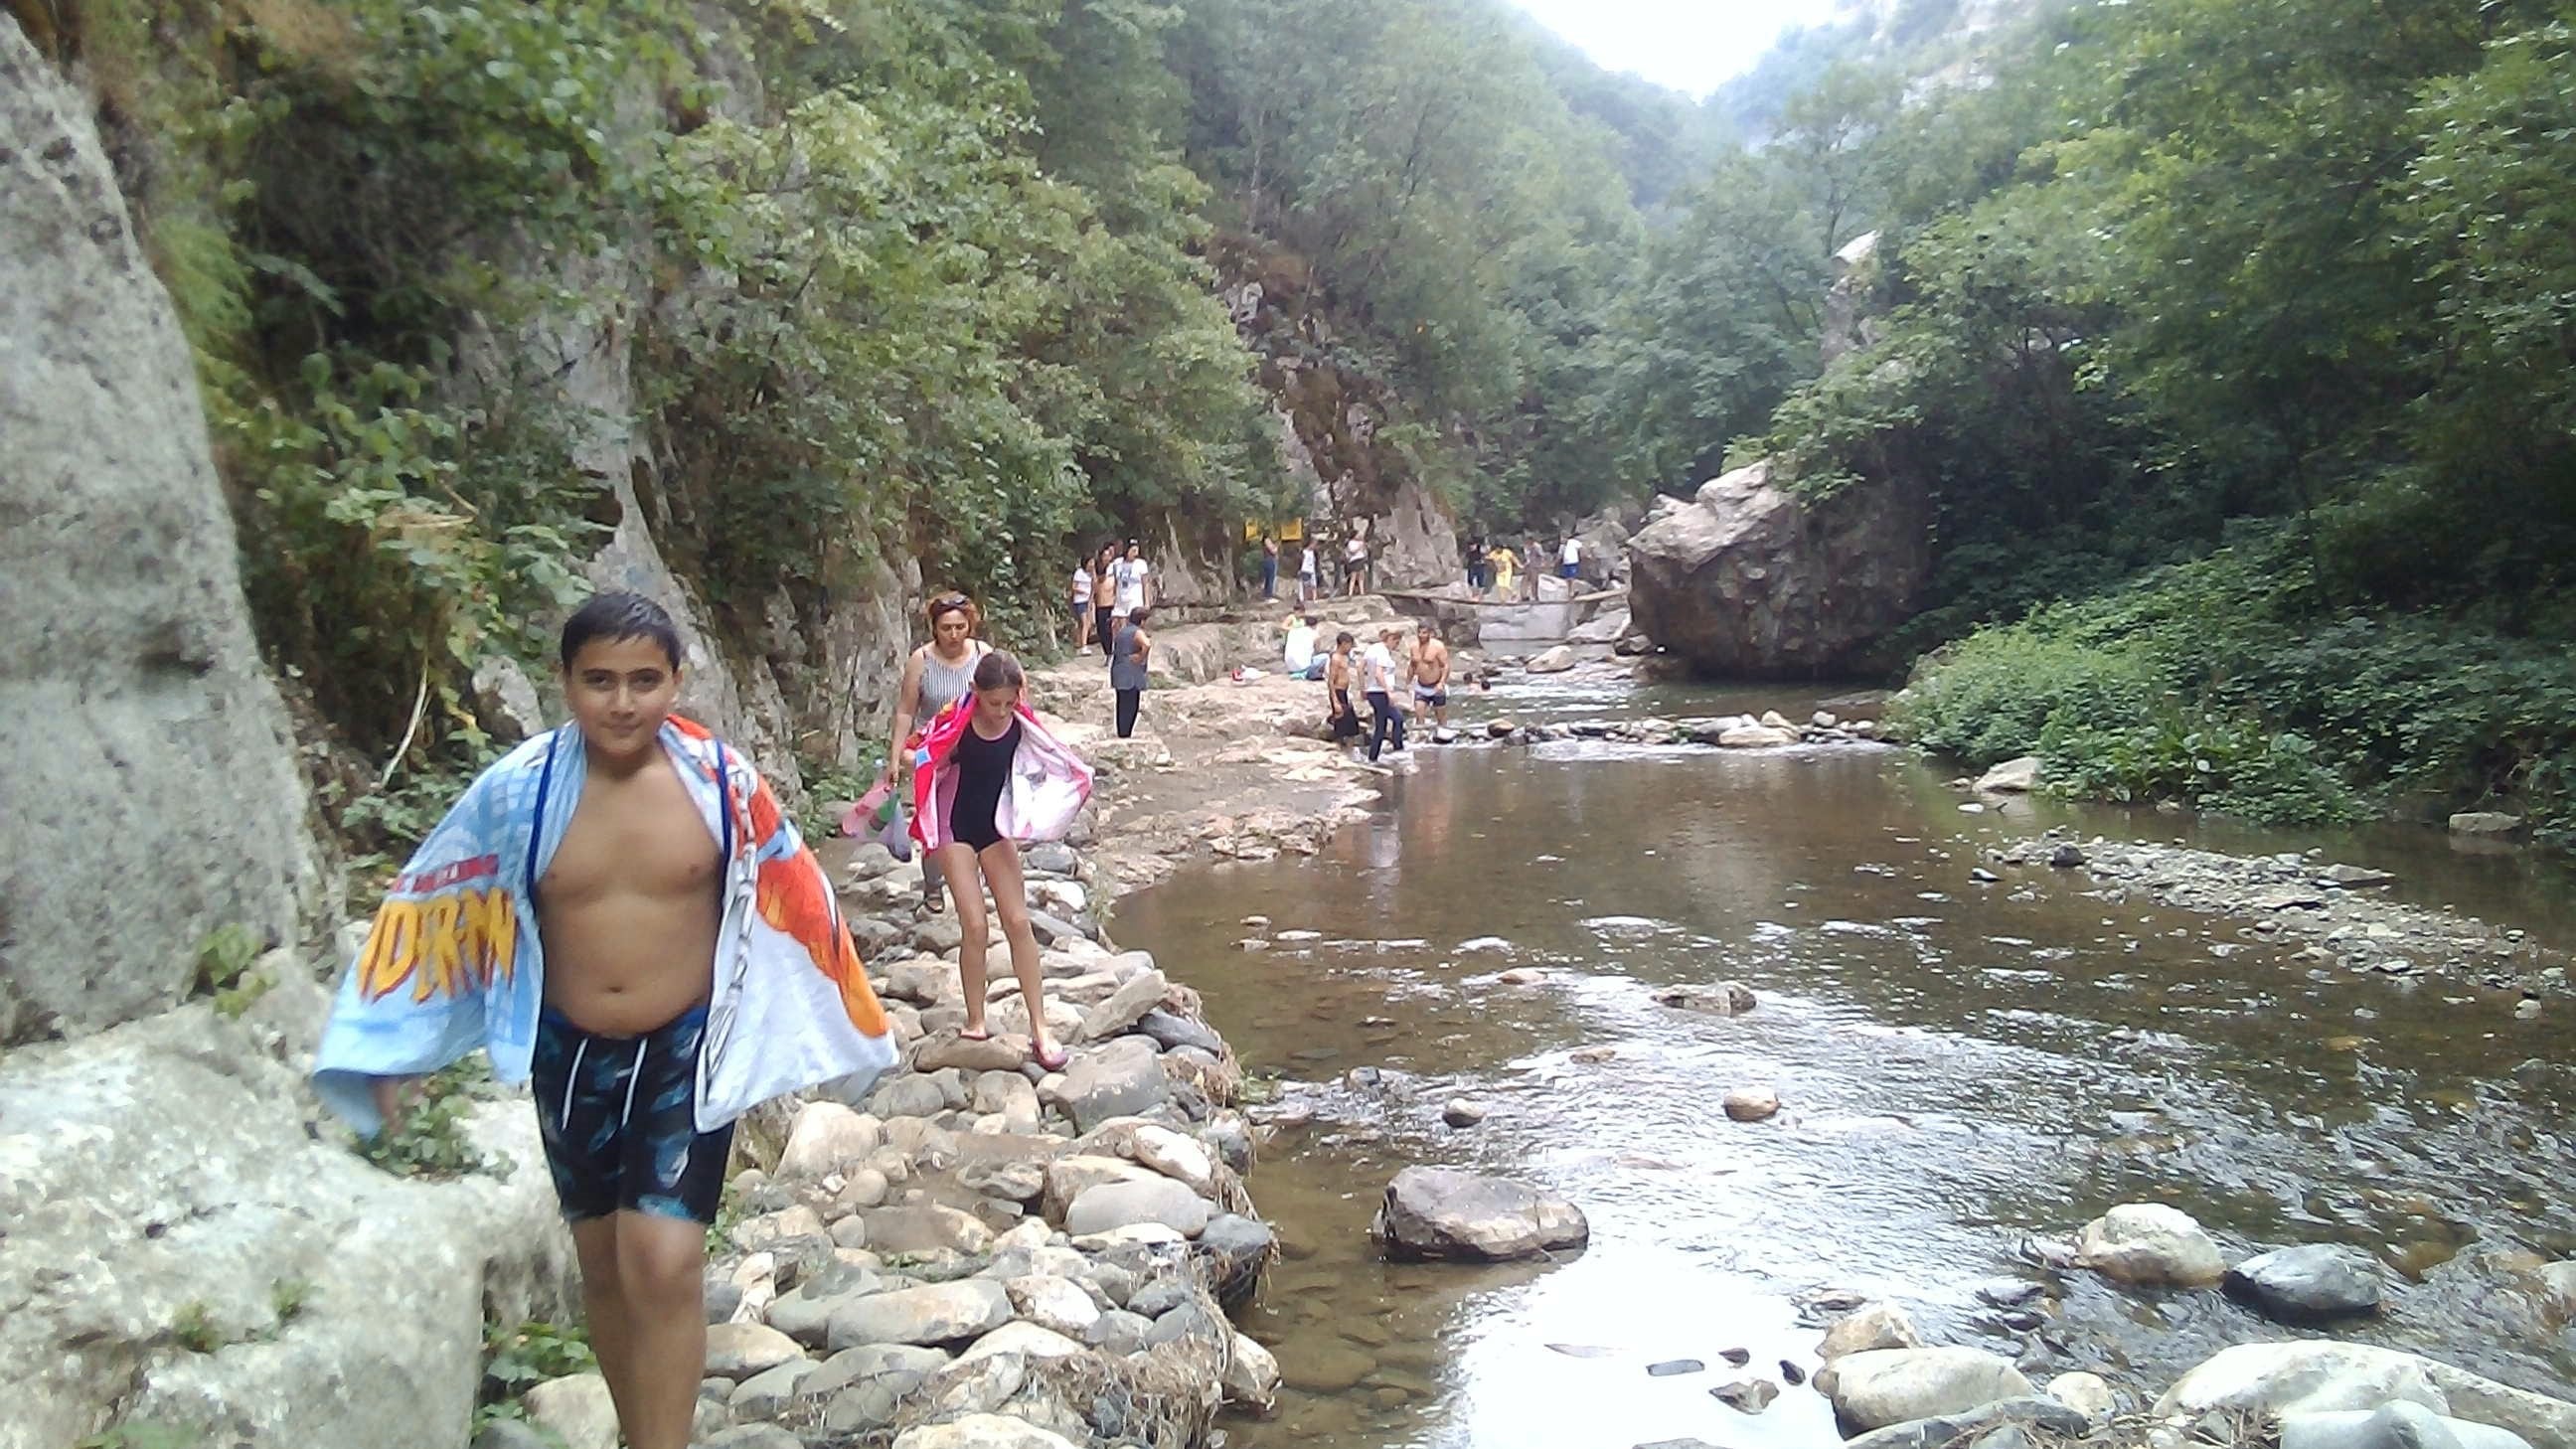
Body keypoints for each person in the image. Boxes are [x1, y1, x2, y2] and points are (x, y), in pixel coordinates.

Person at [312, 592, 895, 1449]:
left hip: (686, 1047)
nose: (622, 703)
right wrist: (390, 1049)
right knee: (605, 1267)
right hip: (569, 1052)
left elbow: (795, 896)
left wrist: (843, 1026)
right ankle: (639, 1430)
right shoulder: (520, 793)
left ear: (676, 682)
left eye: (643, 681)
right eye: (600, 681)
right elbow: (436, 905)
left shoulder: (721, 785)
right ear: (565, 683)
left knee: (664, 1259)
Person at [909, 652, 1092, 1071]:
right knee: (975, 926)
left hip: (995, 828)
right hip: (955, 827)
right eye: (995, 703)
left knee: (1018, 921)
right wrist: (910, 764)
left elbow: (1048, 759)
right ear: (976, 692)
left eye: (1010, 702)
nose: (1002, 711)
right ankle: (976, 1020)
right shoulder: (957, 722)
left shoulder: (1021, 724)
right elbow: (923, 753)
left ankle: (1040, 1026)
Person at [889, 593, 989, 913]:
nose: (954, 634)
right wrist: (896, 757)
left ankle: (970, 883)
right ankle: (933, 885)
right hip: (932, 756)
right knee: (932, 821)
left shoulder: (983, 655)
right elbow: (906, 710)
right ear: (934, 628)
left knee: (975, 819)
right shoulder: (921, 660)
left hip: (976, 752)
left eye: (960, 627)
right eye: (946, 628)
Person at [1361, 626, 1407, 762]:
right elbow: (1378, 673)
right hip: (1380, 693)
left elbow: (1360, 667)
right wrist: (1389, 692)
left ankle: (1374, 756)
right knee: (1394, 720)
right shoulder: (1383, 653)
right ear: (1391, 639)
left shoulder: (1372, 648)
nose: (1396, 646)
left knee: (1385, 724)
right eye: (1396, 643)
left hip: (1373, 692)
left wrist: (1363, 688)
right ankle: (1395, 751)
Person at [1111, 606, 1153, 738]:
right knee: (1131, 704)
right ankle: (1126, 733)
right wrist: (1140, 657)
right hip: (1130, 673)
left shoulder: (1123, 630)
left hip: (1118, 669)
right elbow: (1146, 644)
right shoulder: (1137, 632)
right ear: (1142, 621)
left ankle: (1122, 732)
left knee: (1121, 704)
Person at [1108, 539, 1152, 654]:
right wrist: (1113, 597)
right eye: (1133, 550)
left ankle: (1135, 648)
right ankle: (1117, 649)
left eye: (1136, 550)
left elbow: (1145, 583)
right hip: (1121, 598)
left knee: (1133, 624)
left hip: (1135, 598)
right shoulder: (1118, 563)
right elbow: (1115, 581)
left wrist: (1147, 601)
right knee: (1117, 624)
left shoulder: (1141, 564)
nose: (1135, 553)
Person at [1411, 619, 1453, 737]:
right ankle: (1420, 737)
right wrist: (1408, 681)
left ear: (1430, 633)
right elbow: (1412, 665)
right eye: (1419, 632)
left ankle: (1443, 737)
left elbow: (1445, 666)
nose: (1421, 635)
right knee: (1419, 713)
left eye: (1424, 633)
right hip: (1421, 686)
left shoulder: (1438, 646)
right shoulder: (1414, 646)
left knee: (1441, 718)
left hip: (1436, 686)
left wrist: (1442, 682)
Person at [1324, 630, 1363, 743]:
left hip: (1345, 691)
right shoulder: (1335, 658)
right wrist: (1335, 700)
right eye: (1349, 644)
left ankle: (1348, 745)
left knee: (1351, 723)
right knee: (1342, 722)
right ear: (1343, 644)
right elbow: (1331, 680)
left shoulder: (1345, 657)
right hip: (1337, 691)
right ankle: (1338, 743)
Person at [1090, 543, 1118, 659]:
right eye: (1105, 555)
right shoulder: (1097, 570)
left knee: (1109, 630)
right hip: (1100, 604)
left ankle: (1112, 652)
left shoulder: (1113, 568)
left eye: (1108, 556)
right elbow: (1095, 585)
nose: (1107, 558)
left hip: (1110, 603)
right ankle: (1107, 652)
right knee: (1101, 630)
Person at [1283, 612, 1324, 681]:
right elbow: (1317, 650)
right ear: (1315, 625)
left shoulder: (1292, 631)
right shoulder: (1314, 634)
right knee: (1325, 657)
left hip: (1290, 667)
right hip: (1304, 666)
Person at [1068, 551, 1095, 651]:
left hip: (1088, 600)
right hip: (1080, 601)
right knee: (1085, 623)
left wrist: (1093, 573)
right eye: (1090, 562)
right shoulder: (1079, 573)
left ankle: (1080, 641)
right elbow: (1074, 587)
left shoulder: (1091, 574)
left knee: (1086, 623)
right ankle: (1084, 645)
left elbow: (1094, 585)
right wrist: (1082, 591)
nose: (1092, 564)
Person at [1344, 531, 1369, 597]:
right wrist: (1359, 547)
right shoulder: (1351, 542)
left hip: (1361, 559)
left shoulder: (1360, 542)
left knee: (1361, 576)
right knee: (1353, 576)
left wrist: (1364, 546)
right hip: (1354, 560)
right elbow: (1352, 551)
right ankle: (1350, 592)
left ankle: (1362, 591)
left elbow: (1364, 550)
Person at [1260, 535, 1279, 600]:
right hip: (1270, 560)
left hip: (1268, 560)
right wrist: (1276, 547)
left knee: (1268, 579)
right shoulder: (1267, 540)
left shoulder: (1267, 541)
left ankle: (1266, 595)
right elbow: (1273, 551)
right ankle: (1268, 595)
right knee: (1270, 578)